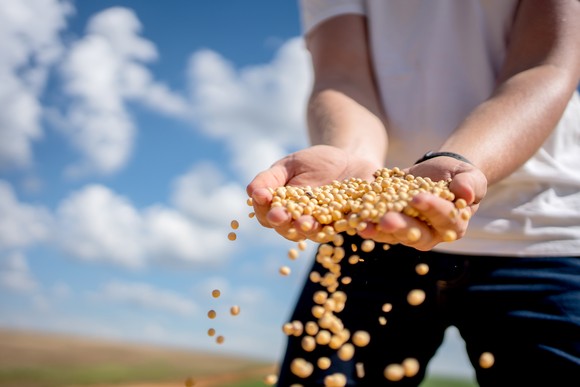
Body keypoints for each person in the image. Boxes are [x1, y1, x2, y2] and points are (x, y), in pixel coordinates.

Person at [247, 1, 580, 385]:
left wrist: (458, 161)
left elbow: (544, 65)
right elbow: (342, 75)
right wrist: (351, 160)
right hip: (372, 228)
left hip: (539, 232)